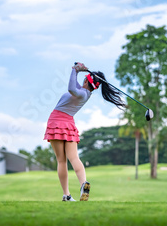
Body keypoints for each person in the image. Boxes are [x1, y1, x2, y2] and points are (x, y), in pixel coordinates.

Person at [44, 62, 126, 201]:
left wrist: (75, 70)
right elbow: (74, 83)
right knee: (74, 158)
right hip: (69, 123)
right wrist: (77, 71)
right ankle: (83, 184)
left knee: (62, 161)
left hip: (57, 122)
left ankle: (67, 195)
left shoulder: (81, 93)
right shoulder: (86, 94)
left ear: (87, 81)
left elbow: (71, 87)